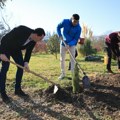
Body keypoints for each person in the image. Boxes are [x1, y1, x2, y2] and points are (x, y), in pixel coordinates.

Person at [0, 25, 45, 102]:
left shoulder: (33, 41)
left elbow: (28, 52)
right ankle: (3, 93)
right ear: (37, 35)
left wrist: (26, 63)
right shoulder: (22, 29)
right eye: (40, 38)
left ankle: (17, 90)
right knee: (5, 67)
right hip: (5, 47)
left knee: (21, 67)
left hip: (16, 49)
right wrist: (1, 53)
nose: (40, 41)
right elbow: (4, 38)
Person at [57, 14, 82, 80]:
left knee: (73, 60)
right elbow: (58, 27)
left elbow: (76, 39)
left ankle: (73, 74)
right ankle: (63, 74)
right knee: (62, 59)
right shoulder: (65, 21)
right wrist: (59, 34)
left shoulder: (79, 28)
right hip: (63, 43)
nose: (75, 23)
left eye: (77, 22)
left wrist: (70, 44)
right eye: (74, 21)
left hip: (72, 45)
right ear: (71, 19)